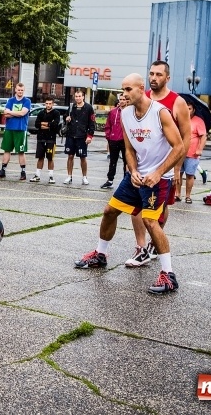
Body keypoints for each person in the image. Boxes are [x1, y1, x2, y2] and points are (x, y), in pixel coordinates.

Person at [74, 73, 185, 294]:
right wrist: (133, 170)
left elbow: (179, 146)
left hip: (158, 178)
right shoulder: (125, 114)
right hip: (136, 176)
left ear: (141, 88)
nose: (124, 94)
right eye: (122, 90)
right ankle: (101, 254)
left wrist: (159, 172)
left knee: (150, 221)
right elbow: (129, 149)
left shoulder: (160, 113)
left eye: (128, 90)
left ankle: (168, 275)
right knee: (109, 211)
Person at [124, 61, 191, 268]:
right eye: (151, 74)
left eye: (159, 74)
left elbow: (185, 137)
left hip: (164, 169)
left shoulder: (176, 102)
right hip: (139, 165)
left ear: (167, 78)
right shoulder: (139, 97)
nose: (154, 78)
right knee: (135, 208)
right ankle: (141, 246)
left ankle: (154, 243)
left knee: (160, 209)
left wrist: (177, 167)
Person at [0, 83, 32, 180]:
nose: (20, 92)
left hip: (21, 129)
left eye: (22, 90)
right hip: (9, 128)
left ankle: (23, 172)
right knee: (7, 150)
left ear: (24, 91)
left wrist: (12, 113)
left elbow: (23, 113)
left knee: (21, 151)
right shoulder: (10, 100)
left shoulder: (27, 101)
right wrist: (17, 114)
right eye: (18, 90)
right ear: (15, 90)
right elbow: (5, 114)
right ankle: (3, 170)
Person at [62, 89, 96, 185]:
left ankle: (84, 177)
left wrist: (90, 136)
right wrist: (66, 119)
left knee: (82, 157)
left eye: (79, 96)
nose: (78, 98)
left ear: (83, 97)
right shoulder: (72, 106)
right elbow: (65, 117)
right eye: (76, 96)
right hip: (71, 135)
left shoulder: (89, 108)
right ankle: (69, 176)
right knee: (70, 156)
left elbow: (92, 123)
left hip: (82, 136)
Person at [176, 102, 207, 203]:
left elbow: (203, 136)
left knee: (190, 174)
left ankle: (188, 196)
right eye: (185, 108)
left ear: (193, 110)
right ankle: (177, 194)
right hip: (179, 152)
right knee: (178, 173)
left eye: (189, 108)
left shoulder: (199, 121)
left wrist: (199, 149)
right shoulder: (179, 119)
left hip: (192, 153)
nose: (187, 110)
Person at [29, 97, 61, 184]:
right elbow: (36, 124)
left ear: (53, 104)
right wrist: (47, 125)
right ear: (44, 104)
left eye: (50, 103)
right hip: (41, 138)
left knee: (50, 158)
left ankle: (51, 176)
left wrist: (44, 124)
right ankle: (37, 175)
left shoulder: (56, 113)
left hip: (51, 139)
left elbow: (55, 124)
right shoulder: (41, 113)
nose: (48, 105)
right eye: (47, 103)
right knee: (40, 157)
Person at [101, 94, 127, 189]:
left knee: (127, 162)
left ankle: (126, 181)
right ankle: (110, 180)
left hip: (125, 141)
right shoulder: (113, 112)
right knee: (113, 161)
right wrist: (109, 136)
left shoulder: (130, 112)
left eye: (124, 99)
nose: (122, 101)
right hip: (113, 140)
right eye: (121, 99)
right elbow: (108, 125)